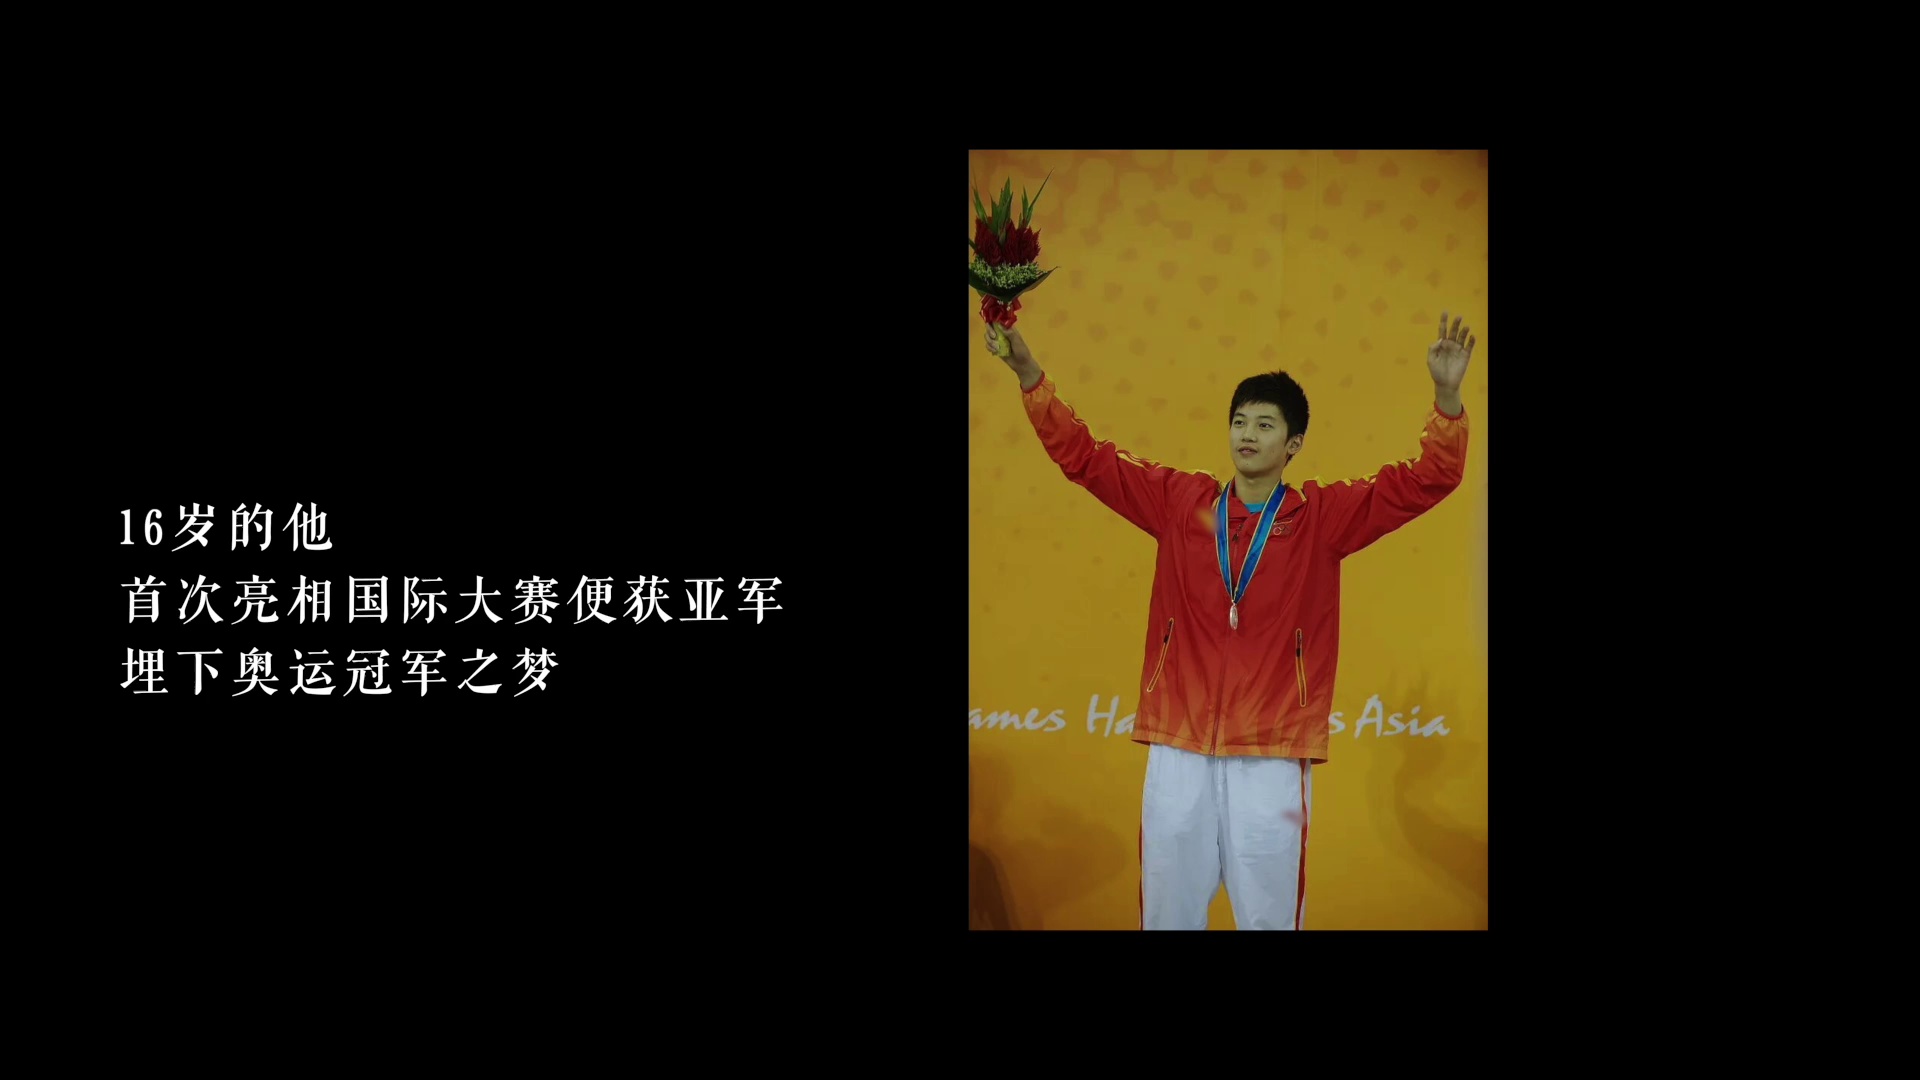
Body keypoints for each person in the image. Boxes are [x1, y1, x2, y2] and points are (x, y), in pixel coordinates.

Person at [985, 311, 1474, 930]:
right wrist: (1028, 372)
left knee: (1269, 921)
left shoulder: (1322, 518)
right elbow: (1085, 457)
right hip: (1178, 746)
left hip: (1270, 754)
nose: (1247, 434)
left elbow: (1430, 479)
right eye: (1240, 421)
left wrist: (1447, 399)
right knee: (1167, 918)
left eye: (1265, 425)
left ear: (1293, 444)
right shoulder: (1180, 503)